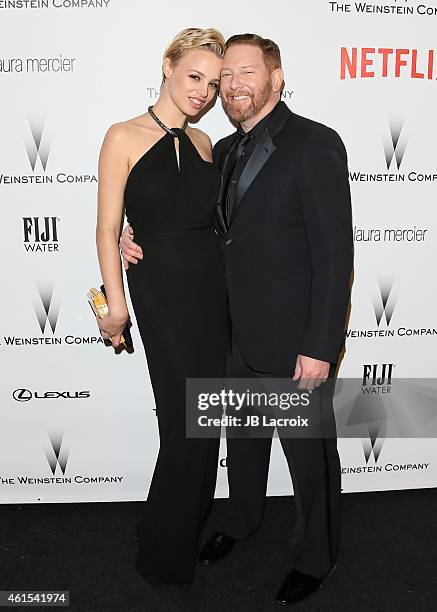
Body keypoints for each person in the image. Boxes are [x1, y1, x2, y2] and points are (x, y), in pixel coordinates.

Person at [120, 33, 353, 605]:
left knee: (309, 456)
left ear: (276, 77)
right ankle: (245, 518)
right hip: (229, 333)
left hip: (293, 338)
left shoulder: (314, 144)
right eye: (226, 77)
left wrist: (321, 343)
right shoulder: (219, 151)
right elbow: (195, 226)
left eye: (248, 72)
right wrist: (136, 235)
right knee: (243, 444)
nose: (234, 85)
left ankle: (317, 555)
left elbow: (335, 253)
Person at [95, 27, 228, 587]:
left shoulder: (205, 145)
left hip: (212, 292)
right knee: (184, 421)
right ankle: (163, 557)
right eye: (194, 76)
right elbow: (106, 230)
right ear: (168, 65)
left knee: (203, 421)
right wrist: (115, 306)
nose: (203, 92)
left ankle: (168, 526)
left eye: (214, 84)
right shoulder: (122, 135)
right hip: (162, 295)